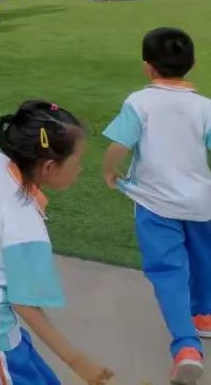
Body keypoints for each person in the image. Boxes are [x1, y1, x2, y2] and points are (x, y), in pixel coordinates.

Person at [0, 102, 113, 385]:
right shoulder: (27, 227)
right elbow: (25, 304)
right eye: (76, 161)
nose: (79, 169)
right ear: (49, 166)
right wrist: (78, 362)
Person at [102, 28, 211, 385]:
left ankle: (186, 348)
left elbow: (120, 144)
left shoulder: (139, 102)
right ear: (192, 63)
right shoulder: (205, 106)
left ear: (147, 66)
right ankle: (205, 315)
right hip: (201, 203)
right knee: (204, 261)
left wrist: (109, 170)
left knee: (168, 272)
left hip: (154, 203)